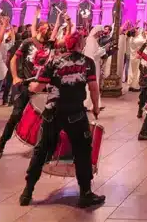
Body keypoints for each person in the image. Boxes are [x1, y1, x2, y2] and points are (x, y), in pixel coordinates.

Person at [18, 32, 104, 209]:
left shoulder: (54, 61)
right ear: (80, 44)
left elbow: (38, 87)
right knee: (82, 151)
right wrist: (95, 107)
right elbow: (93, 87)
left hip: (53, 112)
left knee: (41, 151)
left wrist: (30, 86)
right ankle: (85, 193)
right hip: (75, 113)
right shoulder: (87, 63)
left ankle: (27, 192)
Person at [0, 23, 49, 160]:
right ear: (40, 29)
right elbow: (13, 60)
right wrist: (15, 77)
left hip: (41, 85)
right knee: (15, 115)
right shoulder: (28, 42)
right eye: (47, 28)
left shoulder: (49, 45)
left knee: (45, 118)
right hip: (25, 84)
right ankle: (1, 146)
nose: (49, 30)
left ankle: (41, 147)